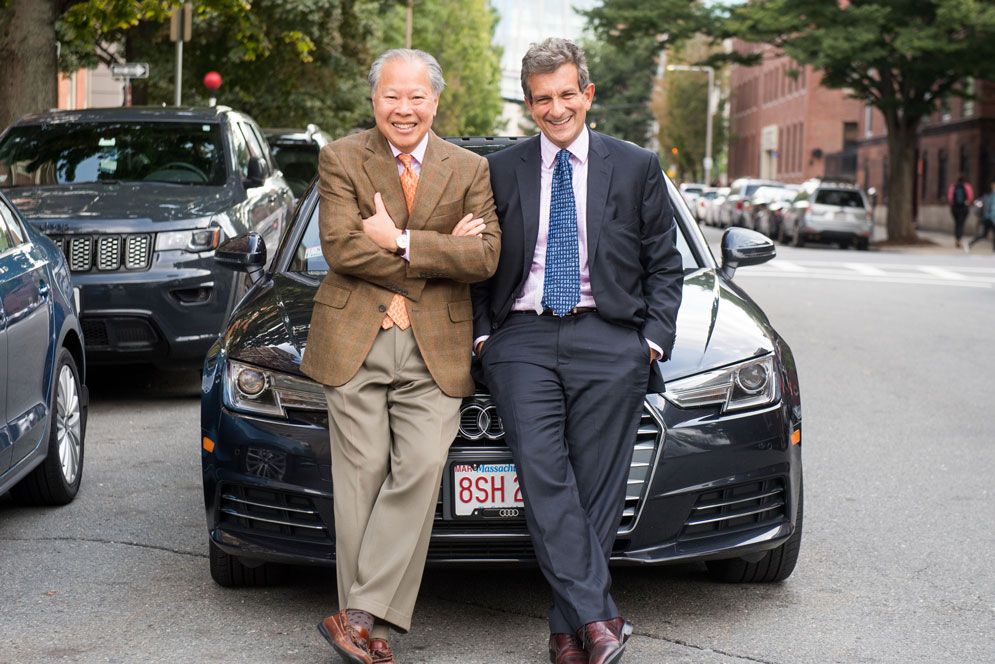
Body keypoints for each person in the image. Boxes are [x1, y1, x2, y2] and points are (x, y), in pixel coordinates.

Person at [470, 38, 684, 664]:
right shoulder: (502, 169)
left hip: (610, 336)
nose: (556, 108)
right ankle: (598, 618)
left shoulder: (638, 165)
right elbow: (481, 268)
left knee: (598, 486)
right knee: (543, 475)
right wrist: (485, 336)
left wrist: (649, 343)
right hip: (523, 338)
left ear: (587, 94)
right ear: (528, 105)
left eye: (567, 94)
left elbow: (663, 267)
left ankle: (569, 631)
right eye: (542, 99)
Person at [299, 48, 500, 664]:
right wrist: (439, 255)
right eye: (392, 96)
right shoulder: (341, 158)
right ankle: (371, 632)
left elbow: (486, 256)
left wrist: (403, 240)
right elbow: (343, 249)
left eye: (416, 97)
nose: (404, 108)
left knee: (416, 472)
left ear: (435, 102)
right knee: (359, 484)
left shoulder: (468, 168)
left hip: (434, 347)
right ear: (374, 100)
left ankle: (356, 614)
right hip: (354, 339)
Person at [967, 180, 995, 253]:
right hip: (990, 219)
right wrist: (993, 219)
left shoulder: (989, 195)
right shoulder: (992, 196)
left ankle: (971, 243)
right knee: (985, 234)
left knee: (984, 234)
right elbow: (993, 209)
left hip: (987, 218)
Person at [948, 174, 974, 248]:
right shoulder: (967, 186)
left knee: (957, 224)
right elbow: (970, 197)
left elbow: (950, 198)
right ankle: (959, 239)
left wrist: (953, 204)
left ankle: (957, 239)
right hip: (963, 208)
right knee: (961, 224)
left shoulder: (953, 186)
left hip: (955, 208)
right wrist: (967, 202)